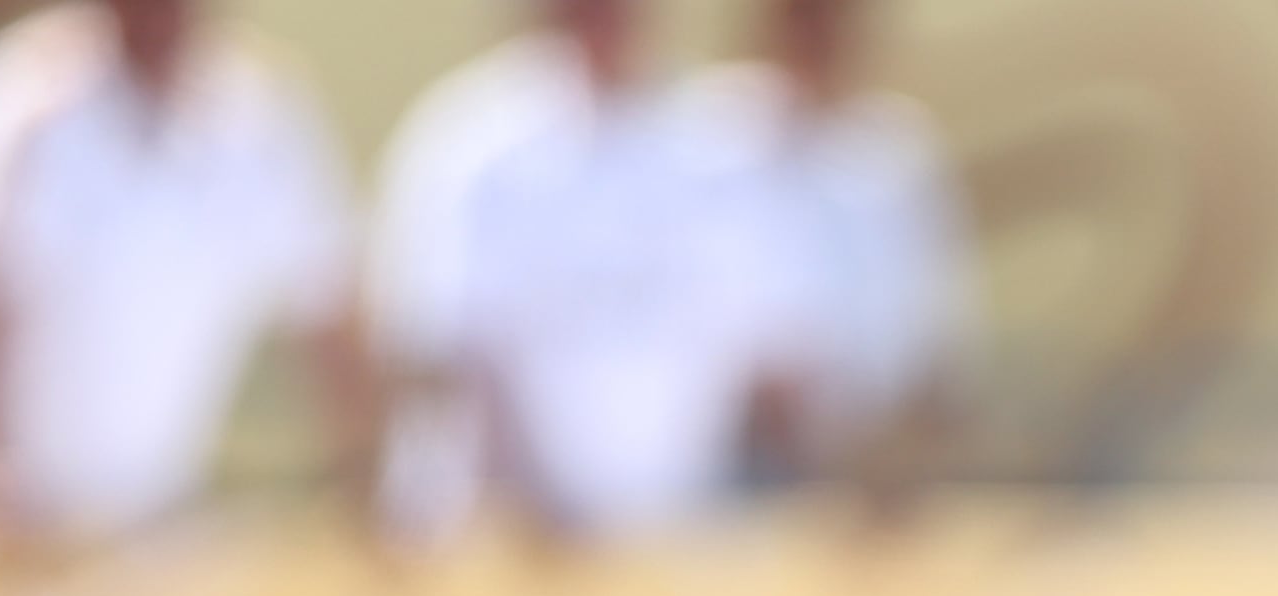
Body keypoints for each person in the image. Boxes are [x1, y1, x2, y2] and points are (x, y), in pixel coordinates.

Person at [0, 0, 365, 545]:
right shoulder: (18, 105)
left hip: (130, 518)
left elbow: (330, 313)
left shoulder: (263, 120)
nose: (156, 16)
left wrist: (364, 475)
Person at [370, 0, 781, 540]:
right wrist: (529, 507)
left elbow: (767, 351)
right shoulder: (468, 144)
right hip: (503, 545)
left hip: (676, 535)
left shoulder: (723, 139)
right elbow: (437, 352)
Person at [671, 0, 968, 501]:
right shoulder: (706, 141)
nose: (817, 36)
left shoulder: (894, 153)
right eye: (803, 17)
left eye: (831, 18)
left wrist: (906, 441)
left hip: (872, 469)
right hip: (737, 466)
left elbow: (934, 326)